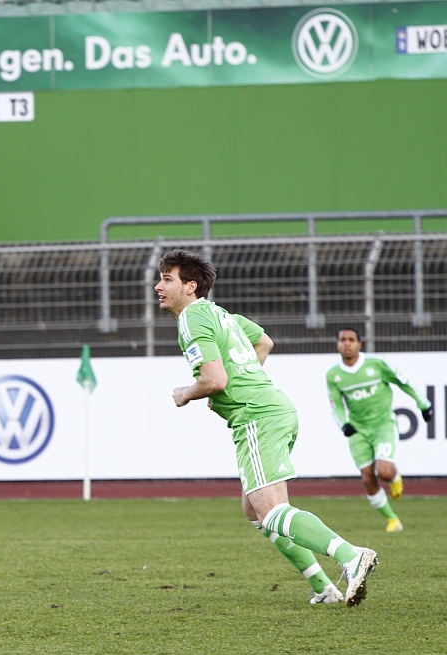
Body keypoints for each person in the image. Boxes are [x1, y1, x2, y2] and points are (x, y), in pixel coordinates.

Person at [155, 249, 377, 607]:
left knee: (272, 510)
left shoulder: (192, 319)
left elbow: (213, 379)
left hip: (256, 416)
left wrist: (187, 393)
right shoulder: (221, 315)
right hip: (275, 408)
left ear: (190, 286)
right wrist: (239, 379)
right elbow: (264, 342)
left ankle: (351, 556)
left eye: (167, 279)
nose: (158, 286)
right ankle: (323, 587)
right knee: (255, 510)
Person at [326, 327, 431, 532]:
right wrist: (344, 424)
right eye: (343, 340)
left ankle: (393, 476)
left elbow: (403, 382)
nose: (347, 343)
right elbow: (335, 404)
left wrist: (423, 404)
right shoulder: (333, 375)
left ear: (359, 344)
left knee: (383, 471)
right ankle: (392, 520)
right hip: (358, 430)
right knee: (367, 476)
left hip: (383, 424)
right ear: (337, 344)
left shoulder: (377, 363)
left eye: (351, 339)